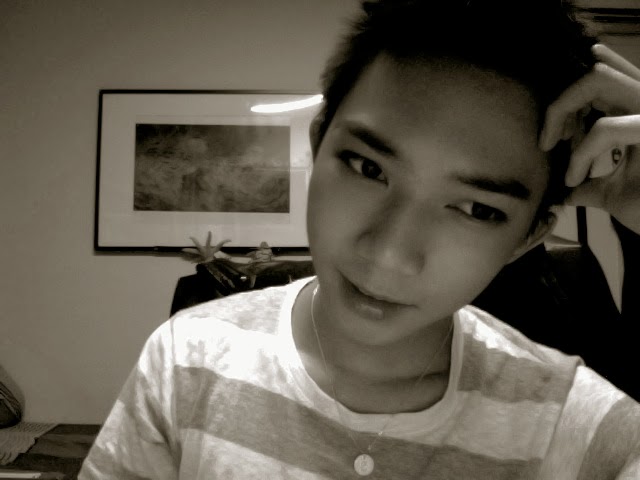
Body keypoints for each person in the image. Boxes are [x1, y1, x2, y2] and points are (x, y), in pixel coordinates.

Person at [79, 0, 640, 478]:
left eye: (476, 209)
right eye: (368, 168)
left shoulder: (574, 425)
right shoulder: (186, 362)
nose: (388, 254)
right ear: (318, 143)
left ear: (529, 237)